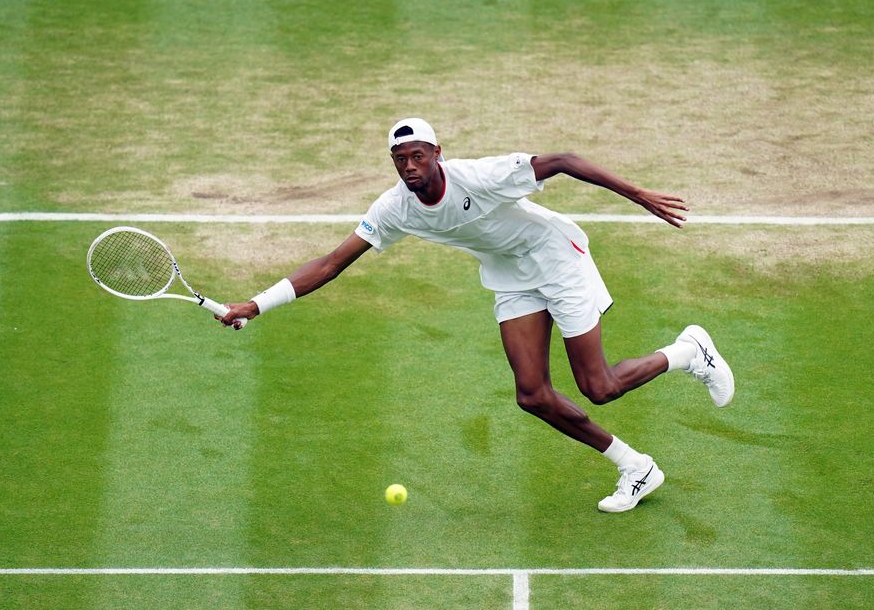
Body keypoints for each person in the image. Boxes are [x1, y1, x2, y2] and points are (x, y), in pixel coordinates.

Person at [221, 118, 734, 513]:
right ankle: (636, 467)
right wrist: (256, 304)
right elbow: (332, 263)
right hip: (511, 275)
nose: (409, 168)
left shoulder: (480, 176)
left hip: (556, 259)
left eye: (417, 156)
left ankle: (689, 352)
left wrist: (638, 194)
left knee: (598, 386)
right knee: (532, 395)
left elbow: (562, 160)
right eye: (399, 160)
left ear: (437, 154)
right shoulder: (394, 208)